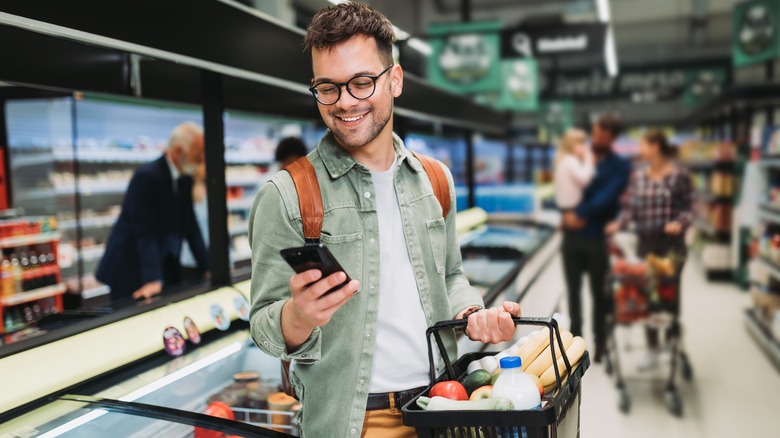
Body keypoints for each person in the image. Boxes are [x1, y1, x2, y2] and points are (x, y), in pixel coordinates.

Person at [248, 3, 521, 437]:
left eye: (361, 83)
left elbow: (449, 277)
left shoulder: (435, 179)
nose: (345, 103)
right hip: (352, 423)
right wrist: (299, 316)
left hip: (444, 408)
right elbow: (262, 325)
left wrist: (472, 312)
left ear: (394, 81)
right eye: (328, 88)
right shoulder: (287, 195)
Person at [606, 129, 693, 370]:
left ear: (655, 146)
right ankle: (653, 348)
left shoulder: (679, 175)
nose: (639, 149)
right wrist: (617, 224)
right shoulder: (640, 176)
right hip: (646, 244)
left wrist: (680, 223)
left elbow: (688, 209)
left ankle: (672, 341)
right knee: (647, 295)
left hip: (672, 245)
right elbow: (630, 209)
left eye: (642, 144)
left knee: (669, 294)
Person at [96, 122, 208, 303]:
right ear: (179, 151)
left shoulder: (185, 179)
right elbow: (144, 231)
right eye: (198, 154)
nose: (202, 161)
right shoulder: (147, 177)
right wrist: (153, 279)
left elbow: (190, 226)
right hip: (132, 268)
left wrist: (208, 267)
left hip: (162, 267)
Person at [561, 113, 631, 363]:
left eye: (604, 135)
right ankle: (575, 342)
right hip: (571, 237)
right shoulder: (579, 156)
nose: (598, 138)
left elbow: (607, 197)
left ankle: (601, 341)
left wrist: (578, 213)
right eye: (596, 133)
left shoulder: (620, 166)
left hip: (596, 237)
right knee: (573, 292)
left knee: (599, 293)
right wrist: (566, 213)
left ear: (612, 138)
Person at [554, 128, 594, 212]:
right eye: (582, 143)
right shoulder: (571, 160)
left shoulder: (564, 160)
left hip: (565, 206)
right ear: (572, 145)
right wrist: (588, 160)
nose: (586, 146)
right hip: (573, 207)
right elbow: (585, 179)